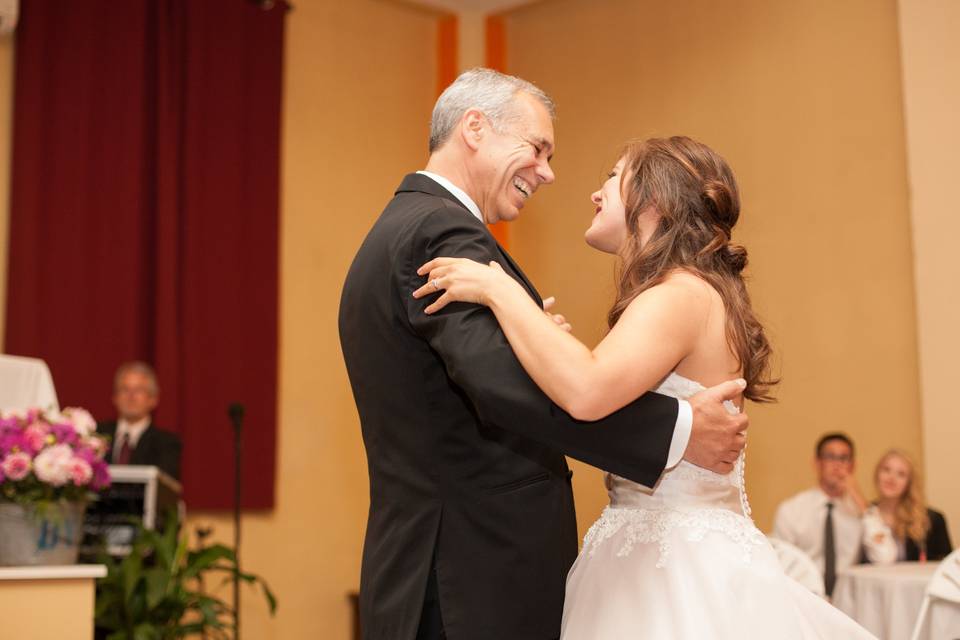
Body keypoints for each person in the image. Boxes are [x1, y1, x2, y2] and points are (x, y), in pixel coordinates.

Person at [339, 69, 750, 640]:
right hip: (469, 573)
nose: (550, 173)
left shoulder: (402, 225)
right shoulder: (442, 232)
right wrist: (678, 429)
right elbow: (509, 389)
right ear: (475, 129)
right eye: (537, 148)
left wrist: (529, 331)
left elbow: (492, 381)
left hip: (439, 560)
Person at [416, 136, 873, 638]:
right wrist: (543, 337)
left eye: (612, 177)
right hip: (657, 550)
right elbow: (597, 389)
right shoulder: (693, 290)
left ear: (654, 201)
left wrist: (500, 289)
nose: (595, 193)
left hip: (673, 568)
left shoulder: (677, 294)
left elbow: (586, 391)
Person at [773, 432, 865, 596]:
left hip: (850, 600)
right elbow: (781, 565)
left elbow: (884, 557)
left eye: (844, 458)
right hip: (805, 597)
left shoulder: (861, 512)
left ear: (853, 466)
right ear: (817, 463)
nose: (837, 465)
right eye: (830, 457)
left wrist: (861, 503)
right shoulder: (792, 510)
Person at [862, 449, 953, 563]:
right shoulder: (863, 515)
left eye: (901, 474)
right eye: (886, 470)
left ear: (909, 483)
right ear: (877, 474)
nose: (891, 478)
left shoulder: (932, 520)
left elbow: (946, 566)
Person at [96, 361, 181, 480]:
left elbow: (163, 487)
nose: (131, 396)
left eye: (139, 390)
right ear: (115, 397)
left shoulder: (166, 444)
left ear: (153, 399)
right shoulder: (96, 434)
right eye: (125, 389)